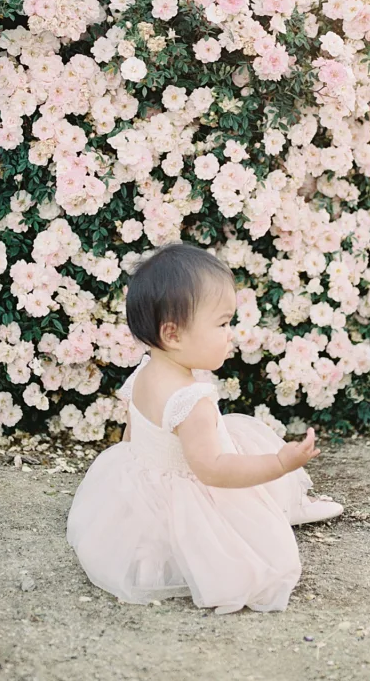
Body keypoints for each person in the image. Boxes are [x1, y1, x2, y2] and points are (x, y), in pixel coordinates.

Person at [66, 240, 344, 614]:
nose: (231, 334)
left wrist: (130, 497)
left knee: (234, 435)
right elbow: (214, 470)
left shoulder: (143, 374)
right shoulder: (191, 402)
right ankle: (277, 508)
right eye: (222, 324)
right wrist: (279, 463)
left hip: (142, 479)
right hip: (194, 487)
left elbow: (131, 439)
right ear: (173, 334)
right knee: (249, 503)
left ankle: (147, 537)